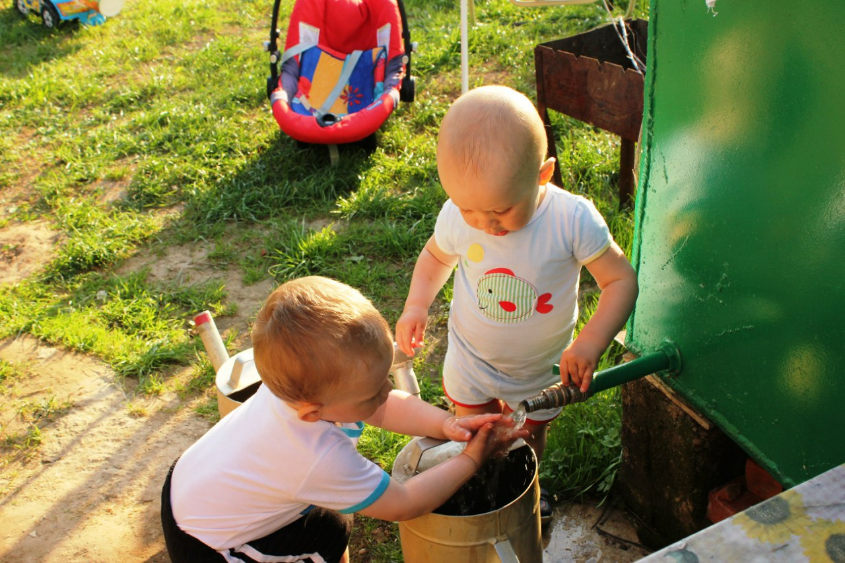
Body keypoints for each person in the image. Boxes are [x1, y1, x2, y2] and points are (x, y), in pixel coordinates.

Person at [395, 85, 639, 522]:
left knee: (525, 436)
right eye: (469, 210)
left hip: (536, 370)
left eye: (502, 211)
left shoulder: (571, 220)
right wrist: (416, 304)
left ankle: (527, 485)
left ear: (543, 174)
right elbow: (436, 257)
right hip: (472, 358)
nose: (484, 225)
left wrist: (590, 343)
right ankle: (482, 488)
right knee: (476, 432)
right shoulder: (461, 214)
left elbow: (621, 280)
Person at [161, 276, 527, 563]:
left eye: (384, 378)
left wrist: (446, 425)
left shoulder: (298, 390)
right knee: (329, 527)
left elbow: (384, 405)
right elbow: (404, 503)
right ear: (313, 412)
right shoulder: (318, 457)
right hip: (213, 546)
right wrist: (471, 458)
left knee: (333, 521)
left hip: (194, 484)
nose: (387, 390)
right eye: (373, 392)